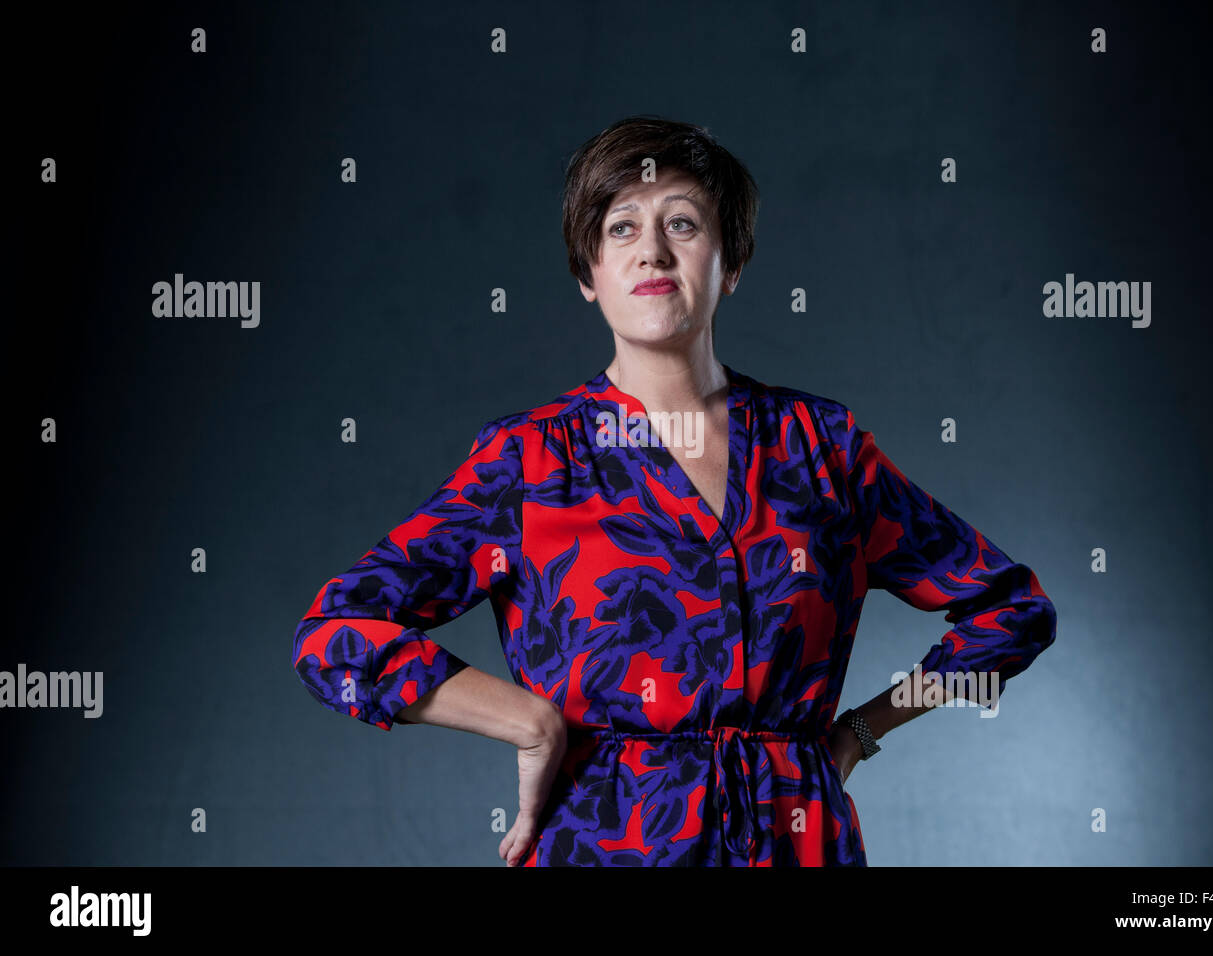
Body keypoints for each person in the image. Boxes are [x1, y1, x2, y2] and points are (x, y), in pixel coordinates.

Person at [290, 115, 1058, 866]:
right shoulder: (528, 463)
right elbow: (334, 635)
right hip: (603, 845)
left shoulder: (821, 447)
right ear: (587, 275)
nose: (652, 250)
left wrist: (861, 730)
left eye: (683, 224)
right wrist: (528, 722)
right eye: (621, 227)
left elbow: (1012, 609)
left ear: (732, 261)